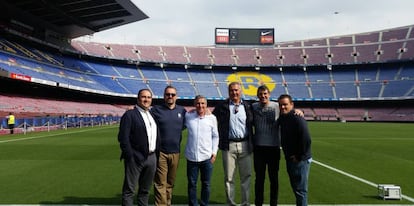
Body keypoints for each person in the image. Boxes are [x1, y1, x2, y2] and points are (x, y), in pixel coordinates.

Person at [213, 82, 254, 206]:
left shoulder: (248, 106)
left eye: (236, 90)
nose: (234, 92)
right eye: (231, 90)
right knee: (229, 177)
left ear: (241, 91)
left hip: (245, 145)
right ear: (228, 92)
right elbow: (210, 118)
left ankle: (245, 202)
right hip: (228, 145)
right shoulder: (222, 106)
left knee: (246, 176)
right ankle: (230, 203)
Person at [118, 89, 159, 206]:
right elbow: (123, 137)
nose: (146, 100)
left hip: (151, 158)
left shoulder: (151, 115)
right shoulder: (130, 114)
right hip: (135, 157)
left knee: (145, 190)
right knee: (129, 190)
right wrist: (130, 156)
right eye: (143, 97)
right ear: (138, 99)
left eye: (149, 97)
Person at [152, 85, 186, 206]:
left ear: (176, 97)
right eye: (168, 94)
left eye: (172, 95)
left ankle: (167, 202)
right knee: (160, 182)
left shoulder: (182, 111)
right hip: (161, 152)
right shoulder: (156, 110)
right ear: (164, 96)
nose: (170, 96)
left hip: (176, 152)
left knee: (170, 182)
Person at [278, 94, 312, 206]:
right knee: (297, 189)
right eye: (280, 105)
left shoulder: (298, 119)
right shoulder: (283, 117)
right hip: (291, 159)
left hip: (299, 161)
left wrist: (299, 156)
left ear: (292, 104)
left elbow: (306, 139)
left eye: (285, 104)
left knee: (301, 191)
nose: (282, 107)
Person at [184, 95, 219, 206]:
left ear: (206, 105)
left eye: (203, 103)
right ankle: (193, 204)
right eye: (198, 103)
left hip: (206, 158)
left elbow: (215, 136)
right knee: (192, 184)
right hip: (192, 157)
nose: (200, 105)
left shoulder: (212, 118)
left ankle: (204, 204)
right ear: (194, 104)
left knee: (206, 184)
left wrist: (214, 153)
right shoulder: (188, 116)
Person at [252, 85, 280, 206]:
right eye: (261, 94)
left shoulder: (277, 106)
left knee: (273, 179)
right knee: (259, 179)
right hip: (258, 148)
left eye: (265, 94)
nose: (263, 96)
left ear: (269, 94)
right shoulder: (253, 106)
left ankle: (273, 203)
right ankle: (259, 203)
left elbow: (289, 111)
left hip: (273, 148)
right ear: (257, 95)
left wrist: (299, 111)